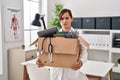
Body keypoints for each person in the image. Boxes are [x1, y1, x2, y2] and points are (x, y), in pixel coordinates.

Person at [36, 8, 89, 80]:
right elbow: (44, 48)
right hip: (55, 74)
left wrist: (81, 62)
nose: (64, 21)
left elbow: (84, 51)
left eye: (67, 18)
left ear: (72, 19)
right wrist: (39, 59)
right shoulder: (53, 35)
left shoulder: (77, 34)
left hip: (71, 73)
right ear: (59, 20)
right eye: (62, 18)